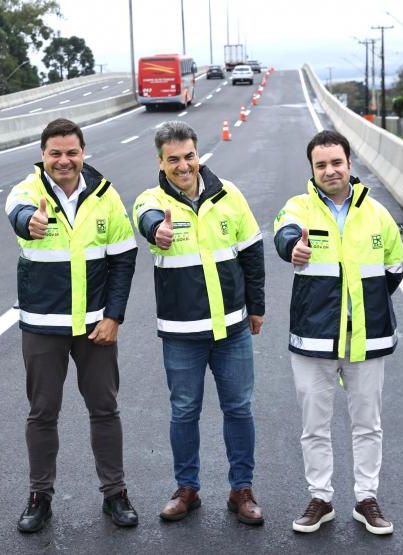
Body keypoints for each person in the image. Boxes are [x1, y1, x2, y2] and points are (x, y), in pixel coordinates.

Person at [4, 118, 138, 533]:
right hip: (43, 327)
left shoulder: (105, 195)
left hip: (95, 327)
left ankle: (115, 493)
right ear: (43, 156)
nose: (64, 160)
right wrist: (31, 221)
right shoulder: (26, 192)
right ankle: (39, 497)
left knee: (105, 410)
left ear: (83, 153)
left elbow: (123, 259)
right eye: (55, 153)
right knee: (42, 413)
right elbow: (19, 213)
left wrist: (114, 316)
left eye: (71, 152)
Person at [133, 121, 266, 525]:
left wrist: (256, 307)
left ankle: (241, 489)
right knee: (184, 411)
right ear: (161, 161)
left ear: (198, 154)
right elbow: (147, 219)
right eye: (173, 159)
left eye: (188, 156)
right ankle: (186, 488)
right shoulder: (149, 200)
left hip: (233, 329)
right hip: (181, 334)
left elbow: (253, 254)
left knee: (239, 409)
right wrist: (158, 230)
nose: (183, 165)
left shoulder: (230, 195)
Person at [273, 129, 403, 535]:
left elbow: (394, 270)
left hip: (367, 339)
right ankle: (321, 499)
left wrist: (365, 311)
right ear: (312, 170)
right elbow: (284, 235)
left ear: (350, 164)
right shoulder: (298, 208)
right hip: (314, 341)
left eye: (336, 162)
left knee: (368, 424)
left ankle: (367, 498)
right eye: (321, 165)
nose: (330, 170)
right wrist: (293, 247)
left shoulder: (378, 214)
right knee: (315, 426)